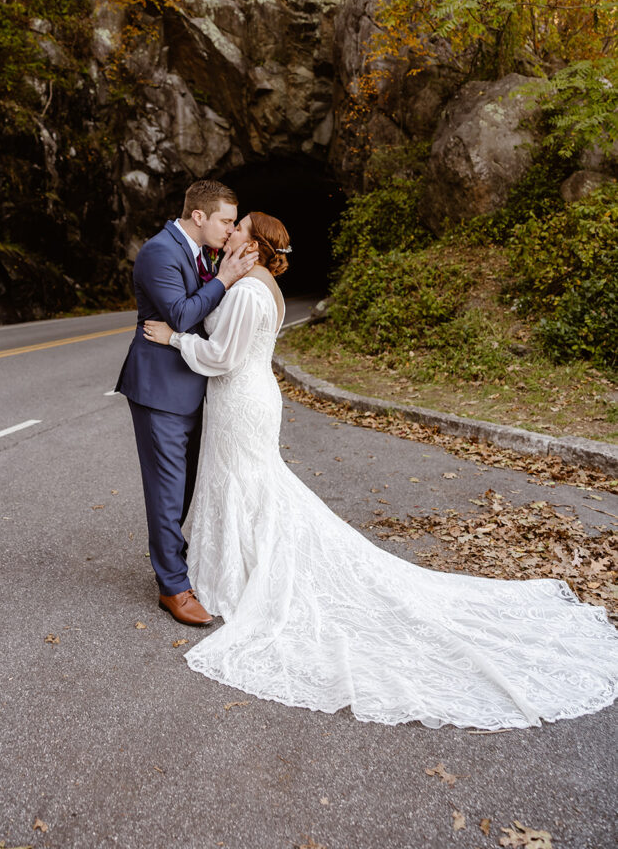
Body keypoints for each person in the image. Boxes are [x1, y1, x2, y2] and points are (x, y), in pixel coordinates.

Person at [142, 211, 618, 730]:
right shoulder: (257, 284)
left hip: (239, 398)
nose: (229, 232)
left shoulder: (251, 292)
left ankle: (243, 575)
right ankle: (230, 567)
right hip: (247, 400)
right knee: (250, 485)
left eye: (238, 227)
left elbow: (221, 356)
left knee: (247, 483)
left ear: (253, 246)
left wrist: (172, 339)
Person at [115, 180, 258, 626]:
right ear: (199, 216)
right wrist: (225, 279)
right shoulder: (160, 251)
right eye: (225, 221)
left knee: (185, 488)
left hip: (195, 386)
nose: (230, 229)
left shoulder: (202, 254)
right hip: (160, 390)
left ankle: (180, 565)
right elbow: (179, 315)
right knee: (166, 492)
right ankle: (173, 587)